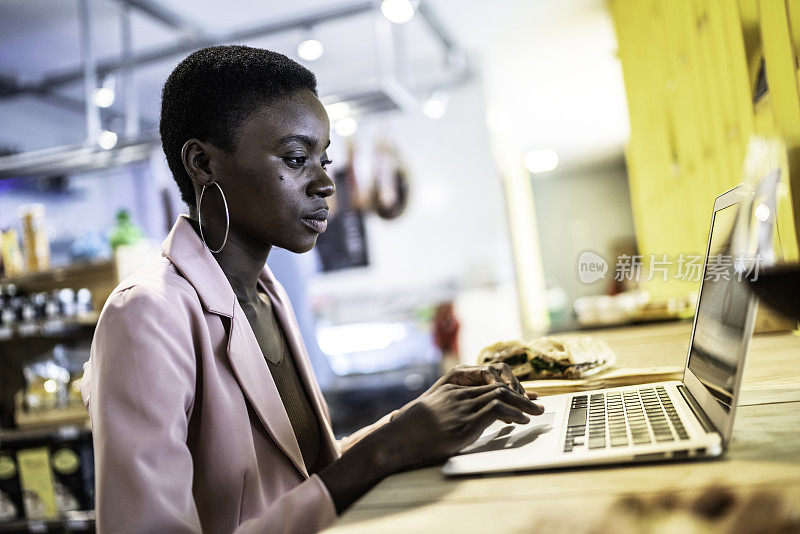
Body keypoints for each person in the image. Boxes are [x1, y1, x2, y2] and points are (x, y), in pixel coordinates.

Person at [81, 45, 544, 533]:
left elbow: (302, 479)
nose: (325, 183)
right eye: (298, 157)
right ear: (203, 164)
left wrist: (416, 421)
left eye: (324, 159)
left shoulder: (266, 295)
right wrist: (391, 448)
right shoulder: (146, 314)